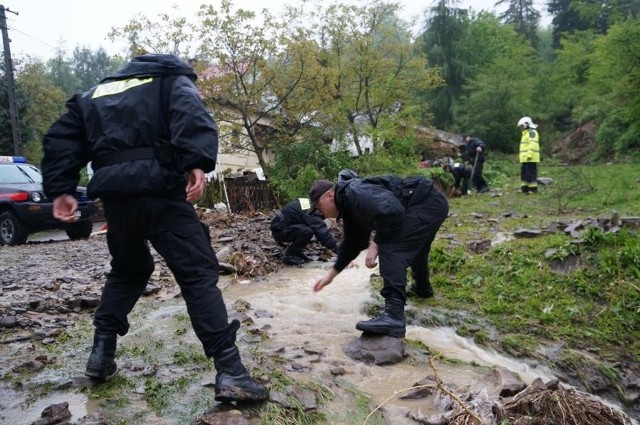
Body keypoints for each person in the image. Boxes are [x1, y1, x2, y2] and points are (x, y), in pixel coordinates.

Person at [41, 53, 268, 402]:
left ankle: (101, 355)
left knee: (129, 269)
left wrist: (61, 189)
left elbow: (60, 139)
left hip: (117, 199)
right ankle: (232, 371)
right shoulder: (170, 80)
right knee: (196, 273)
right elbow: (191, 116)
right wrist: (196, 161)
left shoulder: (93, 95)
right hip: (161, 189)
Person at [309, 175, 449, 338]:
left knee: (392, 247)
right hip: (429, 204)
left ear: (330, 195)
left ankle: (393, 316)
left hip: (427, 203)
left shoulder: (356, 192)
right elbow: (354, 243)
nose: (321, 213)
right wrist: (331, 275)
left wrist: (375, 245)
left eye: (319, 206)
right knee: (415, 246)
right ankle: (422, 288)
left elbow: (392, 212)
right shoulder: (348, 204)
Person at [270, 198, 338, 265]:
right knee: (307, 231)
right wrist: (339, 250)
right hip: (279, 230)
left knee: (307, 230)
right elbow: (321, 232)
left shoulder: (310, 203)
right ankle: (290, 255)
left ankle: (297, 252)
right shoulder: (312, 211)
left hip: (282, 227)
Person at [517, 116, 540, 194]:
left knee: (530, 174)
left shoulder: (532, 132)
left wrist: (529, 155)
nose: (521, 128)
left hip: (531, 158)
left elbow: (532, 144)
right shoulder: (526, 133)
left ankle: (533, 189)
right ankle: (525, 189)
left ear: (526, 125)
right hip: (525, 158)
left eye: (522, 126)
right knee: (524, 173)